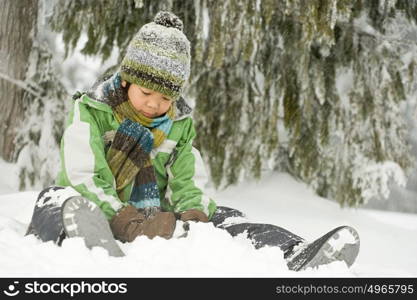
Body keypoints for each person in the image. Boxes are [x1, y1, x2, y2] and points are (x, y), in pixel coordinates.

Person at [25, 11, 360, 271]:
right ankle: (93, 242)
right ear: (126, 82)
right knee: (57, 198)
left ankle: (295, 254)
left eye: (166, 98)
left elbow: (187, 177)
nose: (156, 104)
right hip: (104, 207)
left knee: (226, 216)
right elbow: (85, 174)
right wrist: (126, 220)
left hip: (160, 219)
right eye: (147, 93)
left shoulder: (179, 126)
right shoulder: (92, 111)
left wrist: (192, 213)